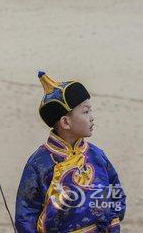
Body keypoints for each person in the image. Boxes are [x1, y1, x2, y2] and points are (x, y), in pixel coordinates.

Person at [15, 71, 126, 232]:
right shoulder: (39, 164)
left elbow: (115, 191)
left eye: (90, 110)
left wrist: (113, 221)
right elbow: (25, 215)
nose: (92, 117)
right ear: (66, 122)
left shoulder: (97, 155)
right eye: (86, 111)